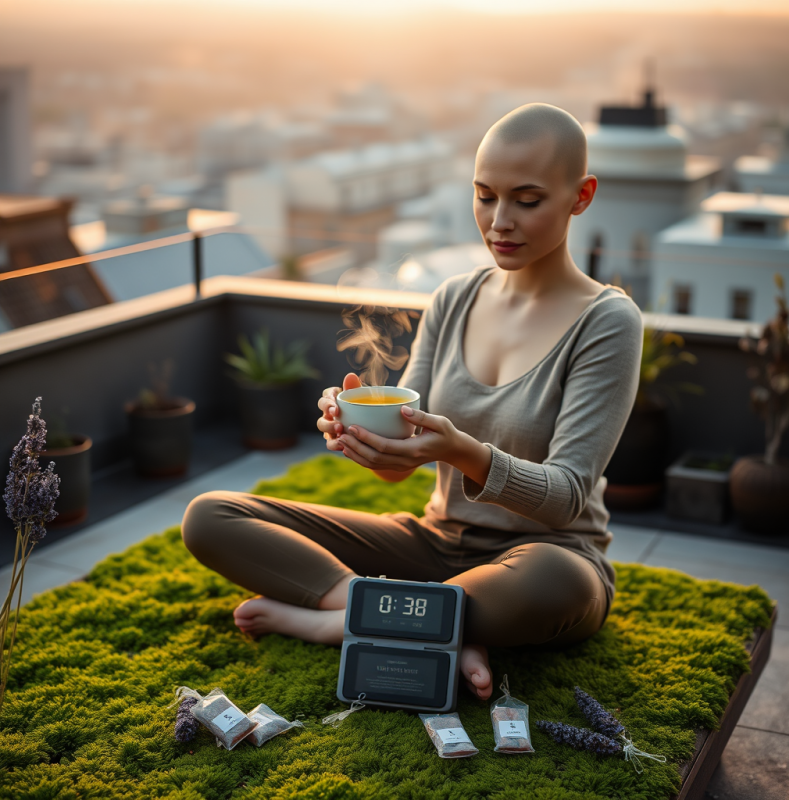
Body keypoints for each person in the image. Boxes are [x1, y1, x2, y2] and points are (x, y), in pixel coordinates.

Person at [181, 103, 643, 701]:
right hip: (431, 546)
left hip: (547, 555)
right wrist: (361, 434)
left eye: (527, 200)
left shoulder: (607, 321)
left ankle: (338, 621)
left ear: (581, 196)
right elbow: (403, 465)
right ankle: (437, 627)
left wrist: (465, 452)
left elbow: (565, 498)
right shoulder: (453, 298)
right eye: (484, 196)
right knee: (211, 516)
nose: (499, 221)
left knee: (551, 585)